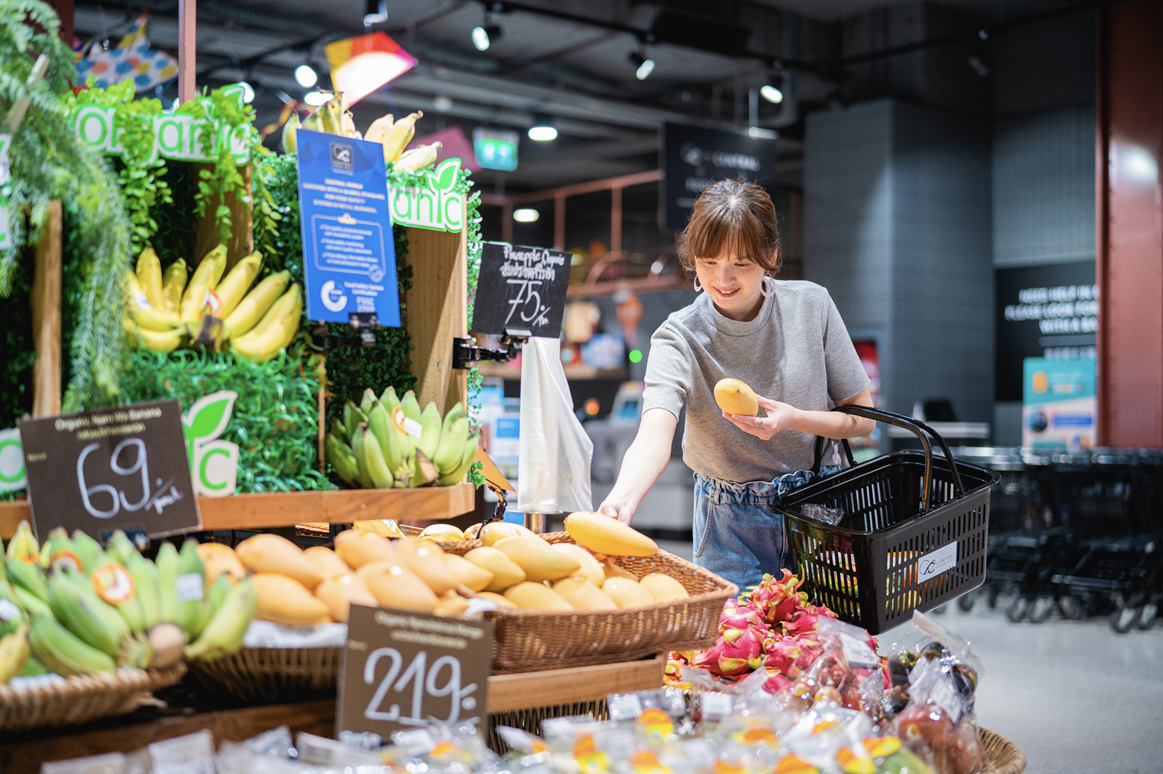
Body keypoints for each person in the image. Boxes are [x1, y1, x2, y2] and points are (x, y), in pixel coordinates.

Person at [597, 180, 875, 592]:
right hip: (728, 524)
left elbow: (862, 417)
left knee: (821, 649)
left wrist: (794, 419)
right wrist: (621, 500)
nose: (722, 279)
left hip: (819, 513)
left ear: (771, 256)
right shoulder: (678, 337)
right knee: (732, 652)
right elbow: (654, 435)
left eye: (741, 263)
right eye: (708, 262)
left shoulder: (811, 307)